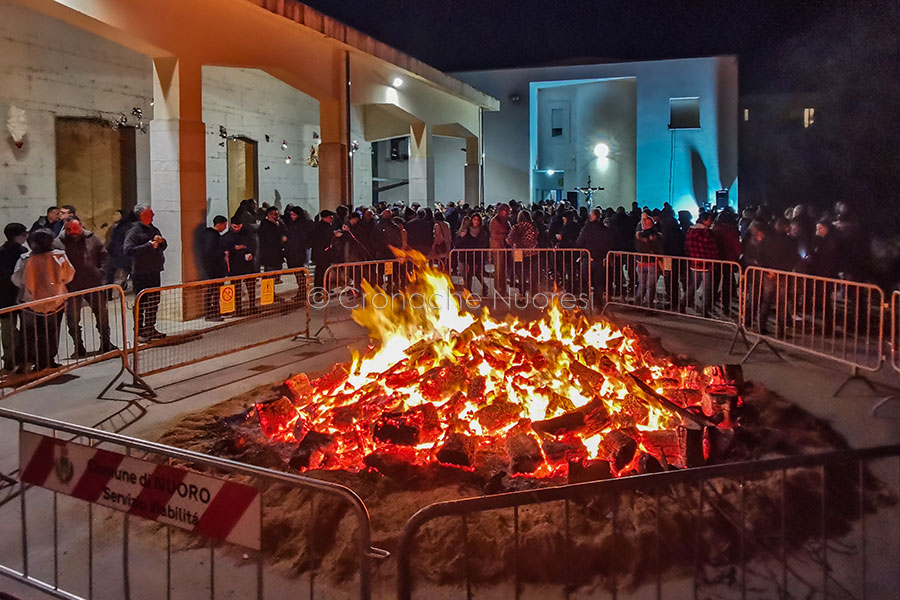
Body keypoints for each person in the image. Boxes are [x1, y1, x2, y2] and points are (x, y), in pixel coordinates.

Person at [12, 229, 75, 371]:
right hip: (55, 301)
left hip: (30, 302)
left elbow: (17, 279)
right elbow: (69, 275)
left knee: (28, 333)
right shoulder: (59, 257)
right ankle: (46, 361)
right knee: (50, 332)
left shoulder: (26, 259)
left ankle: (25, 363)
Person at [61, 218, 114, 356]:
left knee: (102, 315)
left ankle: (106, 343)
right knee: (73, 319)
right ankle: (78, 346)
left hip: (93, 284)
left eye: (76, 230)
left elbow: (104, 255)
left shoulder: (92, 238)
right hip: (71, 287)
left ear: (81, 227)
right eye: (69, 230)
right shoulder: (59, 242)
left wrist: (101, 271)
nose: (73, 233)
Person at [124, 205, 167, 342]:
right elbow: (128, 250)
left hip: (154, 270)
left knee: (154, 301)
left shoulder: (153, 228)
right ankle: (139, 331)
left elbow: (163, 246)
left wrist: (162, 242)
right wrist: (148, 245)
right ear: (142, 214)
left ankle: (150, 328)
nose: (153, 214)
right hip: (141, 272)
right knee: (141, 302)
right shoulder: (134, 231)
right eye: (150, 213)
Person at [0, 223, 28, 371]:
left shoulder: (24, 251)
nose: (26, 237)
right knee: (8, 330)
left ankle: (22, 358)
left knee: (24, 330)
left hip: (22, 295)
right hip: (6, 297)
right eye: (23, 235)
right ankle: (9, 359)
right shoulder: (2, 253)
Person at [684, 212, 719, 317]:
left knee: (693, 285)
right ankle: (704, 310)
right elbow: (713, 249)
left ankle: (684, 302)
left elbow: (686, 247)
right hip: (707, 264)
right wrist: (715, 261)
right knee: (707, 288)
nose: (711, 222)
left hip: (694, 263)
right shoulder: (707, 233)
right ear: (704, 220)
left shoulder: (690, 231)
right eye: (710, 220)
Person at [221, 217, 258, 316]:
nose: (237, 229)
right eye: (235, 226)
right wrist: (234, 249)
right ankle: (238, 308)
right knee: (236, 288)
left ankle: (252, 306)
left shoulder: (247, 233)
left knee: (251, 286)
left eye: (239, 226)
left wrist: (251, 253)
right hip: (235, 265)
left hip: (248, 264)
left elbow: (253, 244)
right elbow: (225, 250)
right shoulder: (226, 237)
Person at [576, 209, 613, 303]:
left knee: (585, 280)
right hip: (600, 258)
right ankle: (598, 302)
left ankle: (585, 300)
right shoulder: (605, 229)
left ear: (593, 216)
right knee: (598, 282)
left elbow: (579, 242)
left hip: (588, 257)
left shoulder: (587, 228)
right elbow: (609, 243)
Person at [200, 216, 228, 321]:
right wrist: (221, 253)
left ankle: (215, 311)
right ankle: (211, 313)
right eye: (224, 225)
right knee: (213, 291)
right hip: (214, 267)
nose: (225, 228)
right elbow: (210, 252)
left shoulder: (210, 235)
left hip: (213, 267)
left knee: (214, 290)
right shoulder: (212, 236)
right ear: (219, 224)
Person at [634, 213, 663, 308]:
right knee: (650, 285)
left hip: (642, 262)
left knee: (642, 284)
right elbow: (658, 249)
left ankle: (639, 303)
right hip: (651, 263)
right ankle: (648, 305)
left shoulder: (639, 236)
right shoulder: (656, 236)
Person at [505, 210, 539, 293]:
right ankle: (534, 294)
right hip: (532, 252)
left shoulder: (516, 227)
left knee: (521, 275)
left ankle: (522, 295)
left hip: (518, 253)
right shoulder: (533, 227)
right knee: (532, 275)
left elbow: (508, 240)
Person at [456, 213, 489, 293]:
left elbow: (485, 243)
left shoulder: (482, 231)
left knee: (474, 272)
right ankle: (470, 289)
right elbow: (460, 242)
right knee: (470, 272)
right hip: (468, 254)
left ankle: (480, 287)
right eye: (474, 219)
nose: (476, 222)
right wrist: (461, 237)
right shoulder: (467, 230)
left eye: (477, 220)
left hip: (477, 254)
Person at [310, 210, 341, 292]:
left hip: (324, 253)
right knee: (321, 271)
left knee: (325, 271)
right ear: (326, 218)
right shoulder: (321, 227)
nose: (332, 219)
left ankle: (325, 287)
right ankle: (320, 289)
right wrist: (333, 234)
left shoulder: (325, 226)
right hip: (322, 253)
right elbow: (322, 239)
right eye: (331, 217)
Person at [105, 209, 134, 289]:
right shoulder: (114, 227)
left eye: (116, 214)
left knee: (128, 271)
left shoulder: (127, 227)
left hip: (122, 254)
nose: (113, 216)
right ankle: (109, 292)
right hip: (114, 253)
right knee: (110, 273)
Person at [489, 203, 511, 296]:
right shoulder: (494, 221)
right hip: (497, 248)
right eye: (505, 211)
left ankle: (503, 289)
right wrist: (505, 234)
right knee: (498, 270)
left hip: (504, 247)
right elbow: (495, 235)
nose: (506, 213)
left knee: (503, 271)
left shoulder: (506, 221)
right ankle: (497, 290)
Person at [258, 206, 287, 275]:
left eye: (277, 214)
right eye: (275, 214)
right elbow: (269, 238)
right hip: (269, 255)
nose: (277, 216)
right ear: (269, 215)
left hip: (279, 253)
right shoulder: (264, 225)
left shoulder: (280, 223)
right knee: (269, 275)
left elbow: (285, 231)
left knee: (278, 272)